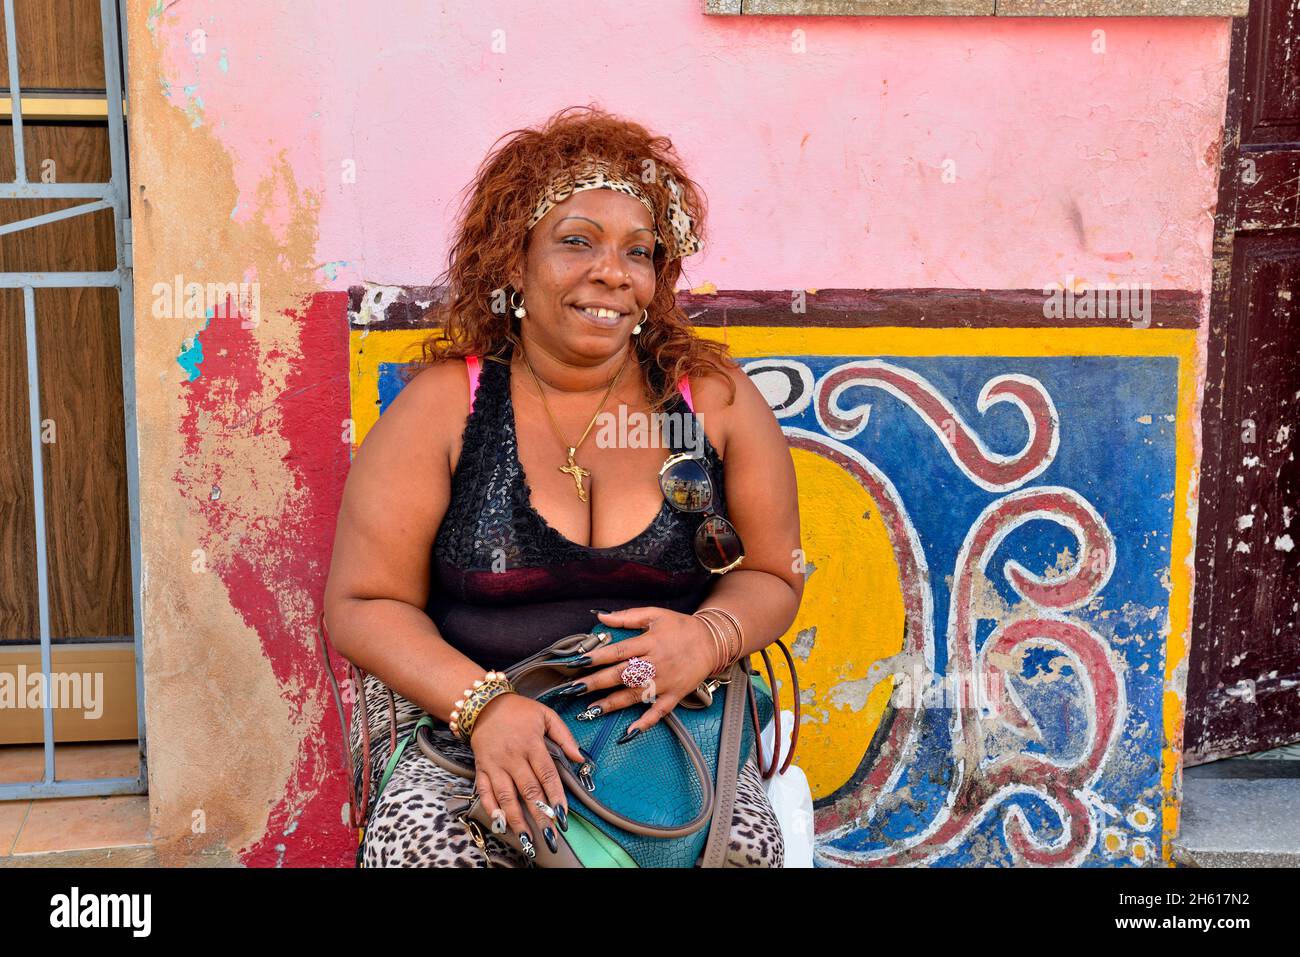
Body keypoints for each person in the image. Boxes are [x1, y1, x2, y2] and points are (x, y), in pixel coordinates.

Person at [323, 104, 803, 867]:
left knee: (739, 854)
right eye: (576, 241)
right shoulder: (449, 408)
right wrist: (482, 707)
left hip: (670, 740)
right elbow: (362, 603)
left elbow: (775, 573)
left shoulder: (704, 403)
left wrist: (706, 638)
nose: (611, 272)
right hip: (469, 741)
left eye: (638, 252)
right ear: (513, 262)